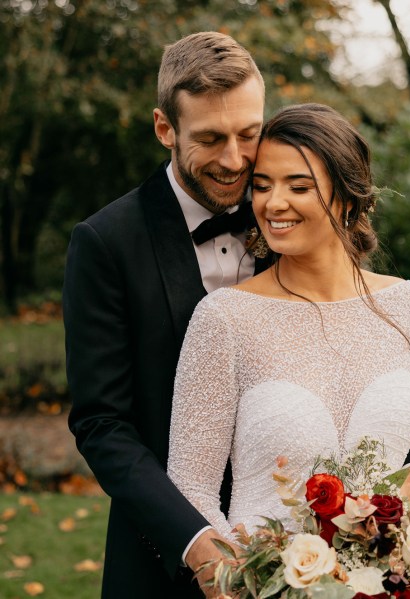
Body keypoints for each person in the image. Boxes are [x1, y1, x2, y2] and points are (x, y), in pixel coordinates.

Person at [167, 103, 410, 549]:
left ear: (347, 195)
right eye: (262, 186)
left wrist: (404, 566)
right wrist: (244, 575)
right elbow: (191, 487)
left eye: (298, 186)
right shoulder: (224, 318)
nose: (273, 203)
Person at [63, 31, 267, 598]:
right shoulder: (106, 243)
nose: (234, 160)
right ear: (164, 129)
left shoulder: (290, 219)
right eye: (209, 138)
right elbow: (102, 423)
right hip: (160, 560)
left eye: (249, 134)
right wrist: (193, 540)